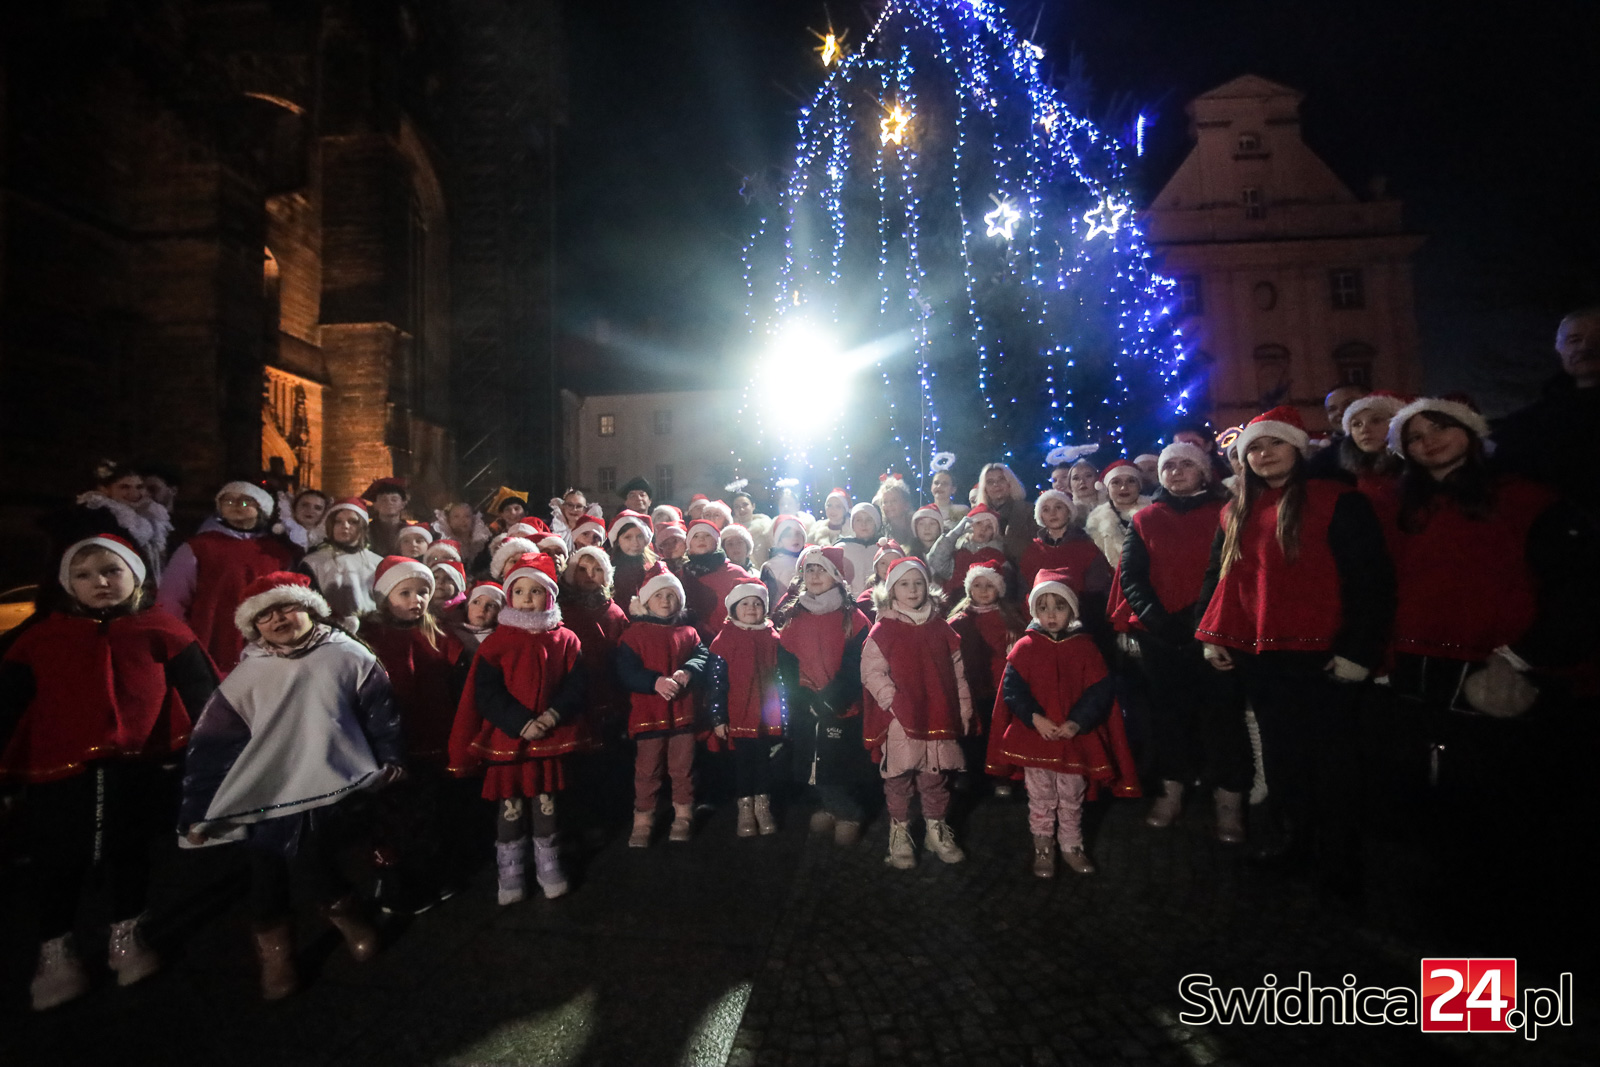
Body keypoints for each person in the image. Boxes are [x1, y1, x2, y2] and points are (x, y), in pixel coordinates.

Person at [2, 536, 217, 1010]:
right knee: (58, 860)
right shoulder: (39, 638)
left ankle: (128, 933)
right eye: (84, 574)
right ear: (66, 584)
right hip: (58, 767)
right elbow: (9, 702)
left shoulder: (163, 628)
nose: (99, 582)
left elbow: (204, 694)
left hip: (139, 766)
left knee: (130, 850)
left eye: (111, 571)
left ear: (135, 575)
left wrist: (209, 756)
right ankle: (56, 950)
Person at [1196, 405, 1394, 901]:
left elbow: (1370, 580)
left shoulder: (1338, 501)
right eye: (1255, 448)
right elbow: (1221, 577)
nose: (1263, 455)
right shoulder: (1235, 510)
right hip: (1264, 654)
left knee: (1332, 763)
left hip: (1322, 656)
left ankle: (1342, 862)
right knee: (1285, 760)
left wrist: (1357, 650)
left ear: (1298, 448)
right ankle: (1296, 844)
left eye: (1274, 444)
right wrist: (1214, 634)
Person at [179, 572, 403, 1000]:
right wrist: (199, 806)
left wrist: (390, 757)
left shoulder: (348, 654)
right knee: (265, 868)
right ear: (252, 626)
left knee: (310, 853)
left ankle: (344, 915)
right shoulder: (247, 676)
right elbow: (213, 744)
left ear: (309, 607)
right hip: (267, 787)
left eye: (284, 606)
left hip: (331, 775)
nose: (276, 618)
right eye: (263, 616)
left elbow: (380, 709)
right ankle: (279, 952)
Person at [1110, 442, 1251, 841]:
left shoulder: (1227, 513)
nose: (1175, 472)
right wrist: (1157, 620)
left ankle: (1229, 802)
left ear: (1204, 473)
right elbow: (1132, 576)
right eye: (1169, 465)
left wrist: (1203, 623)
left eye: (1186, 464)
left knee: (1222, 721)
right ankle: (1171, 792)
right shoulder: (1145, 519)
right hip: (1163, 637)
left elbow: (1232, 571)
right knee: (1168, 719)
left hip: (1216, 634)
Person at [449, 553, 587, 903]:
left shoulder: (566, 639)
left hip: (548, 736)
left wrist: (552, 716)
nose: (528, 599)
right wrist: (520, 722)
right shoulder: (497, 642)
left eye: (536, 591)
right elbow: (486, 693)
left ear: (550, 597)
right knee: (509, 806)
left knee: (546, 803)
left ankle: (548, 863)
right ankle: (510, 870)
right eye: (520, 591)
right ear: (510, 598)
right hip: (510, 740)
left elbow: (576, 684)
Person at [986, 570, 1140, 877]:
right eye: (1043, 607)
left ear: (1072, 609)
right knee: (1041, 797)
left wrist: (1077, 722)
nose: (1051, 614)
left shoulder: (1086, 647)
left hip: (1074, 737)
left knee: (1071, 795)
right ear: (1034, 611)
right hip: (1037, 736)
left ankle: (1072, 845)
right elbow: (1013, 691)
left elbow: (1099, 690)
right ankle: (1043, 846)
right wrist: (1034, 717)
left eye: (1059, 606)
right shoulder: (1025, 647)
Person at [861, 556, 973, 868]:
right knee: (899, 778)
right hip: (901, 719)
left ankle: (936, 829)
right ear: (892, 590)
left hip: (938, 712)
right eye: (904, 584)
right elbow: (872, 672)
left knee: (934, 776)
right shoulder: (883, 630)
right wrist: (894, 701)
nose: (912, 590)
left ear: (928, 586)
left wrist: (963, 709)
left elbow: (957, 673)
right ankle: (900, 832)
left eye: (918, 583)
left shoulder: (942, 629)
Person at [774, 545, 873, 845]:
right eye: (810, 570)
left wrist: (833, 698)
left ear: (836, 576)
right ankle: (832, 808)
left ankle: (848, 812)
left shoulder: (853, 619)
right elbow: (786, 663)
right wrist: (798, 697)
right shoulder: (794, 614)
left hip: (841, 707)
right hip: (806, 705)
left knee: (837, 764)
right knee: (810, 762)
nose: (815, 575)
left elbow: (857, 664)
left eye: (822, 569)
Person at [157, 481, 300, 675]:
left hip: (264, 642)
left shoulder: (277, 553)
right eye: (228, 501)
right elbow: (172, 598)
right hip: (210, 638)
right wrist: (181, 641)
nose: (235, 505)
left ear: (261, 508)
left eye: (244, 502)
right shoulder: (198, 547)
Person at [615, 572, 709, 846]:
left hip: (682, 712)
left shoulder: (688, 632)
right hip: (649, 715)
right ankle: (644, 818)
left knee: (683, 767)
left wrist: (689, 671)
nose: (665, 601)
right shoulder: (633, 635)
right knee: (648, 769)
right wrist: (653, 682)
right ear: (646, 601)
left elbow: (701, 655)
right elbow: (625, 671)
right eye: (659, 596)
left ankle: (683, 815)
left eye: (671, 596)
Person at [1491, 307, 1600, 525]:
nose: (1586, 346)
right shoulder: (1530, 424)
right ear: (1560, 350)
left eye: (1597, 338)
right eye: (1574, 340)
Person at [706, 578, 789, 837]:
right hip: (739, 712)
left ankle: (763, 807)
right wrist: (718, 716)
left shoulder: (773, 637)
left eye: (757, 603)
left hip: (765, 712)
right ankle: (745, 807)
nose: (752, 608)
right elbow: (716, 682)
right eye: (746, 603)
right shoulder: (724, 640)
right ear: (734, 608)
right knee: (743, 763)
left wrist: (783, 714)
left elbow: (781, 678)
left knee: (763, 762)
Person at [946, 559, 1022, 791]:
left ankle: (1001, 773)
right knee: (971, 733)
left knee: (997, 731)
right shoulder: (959, 620)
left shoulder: (1009, 618)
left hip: (1000, 687)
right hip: (970, 686)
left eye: (989, 586)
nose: (983, 591)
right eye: (977, 585)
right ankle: (969, 771)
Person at [557, 546, 629, 740]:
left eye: (597, 569)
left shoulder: (614, 612)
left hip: (609, 688)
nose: (590, 575)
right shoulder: (562, 611)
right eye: (582, 569)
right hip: (573, 689)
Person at [74, 460, 174, 585]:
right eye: (124, 487)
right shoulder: (99, 513)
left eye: (139, 487)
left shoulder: (150, 513)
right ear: (104, 489)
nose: (134, 493)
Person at [298, 497, 383, 632]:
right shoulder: (313, 562)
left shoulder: (378, 562)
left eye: (353, 522)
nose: (345, 526)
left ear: (362, 526)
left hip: (374, 632)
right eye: (338, 521)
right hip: (329, 634)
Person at [1018, 489, 1109, 606]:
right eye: (1046, 509)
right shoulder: (1032, 552)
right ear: (1040, 516)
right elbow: (1024, 589)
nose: (1052, 513)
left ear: (1069, 511)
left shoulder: (1087, 549)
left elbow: (1097, 590)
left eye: (1058, 507)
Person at [681, 518, 753, 641]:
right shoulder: (683, 574)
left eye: (707, 535)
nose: (701, 539)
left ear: (716, 542)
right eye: (696, 536)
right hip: (694, 641)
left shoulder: (734, 572)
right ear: (689, 544)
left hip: (729, 639)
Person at [926, 504, 1012, 602]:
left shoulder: (998, 557)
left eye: (989, 527)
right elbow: (936, 561)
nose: (983, 529)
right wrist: (954, 534)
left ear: (994, 532)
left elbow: (1006, 587)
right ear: (969, 525)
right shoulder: (957, 551)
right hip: (953, 606)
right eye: (978, 523)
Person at [1085, 458, 1151, 567]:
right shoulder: (1096, 521)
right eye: (1116, 482)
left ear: (1139, 486)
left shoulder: (1154, 513)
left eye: (1131, 481)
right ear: (1107, 488)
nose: (1124, 487)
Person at [976, 462, 1038, 565]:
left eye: (1001, 479)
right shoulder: (979, 517)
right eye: (990, 482)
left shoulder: (1029, 510)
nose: (996, 485)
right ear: (984, 489)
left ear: (1010, 483)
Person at [607, 510, 665, 612]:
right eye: (628, 537)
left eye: (640, 536)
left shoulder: (655, 567)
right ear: (618, 541)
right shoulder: (608, 569)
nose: (635, 543)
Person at [444, 579, 504, 655]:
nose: (482, 609)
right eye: (476, 602)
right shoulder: (448, 632)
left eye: (491, 606)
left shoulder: (499, 642)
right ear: (468, 606)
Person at [836, 503, 883, 597]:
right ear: (852, 525)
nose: (863, 524)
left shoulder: (883, 549)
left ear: (876, 523)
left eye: (869, 520)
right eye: (858, 520)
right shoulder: (842, 548)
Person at [760, 514, 808, 605]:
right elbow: (767, 599)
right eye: (788, 535)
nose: (795, 538)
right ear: (780, 541)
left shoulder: (811, 560)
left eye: (798, 533)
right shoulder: (770, 566)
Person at [364, 477, 411, 556]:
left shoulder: (411, 531)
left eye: (394, 499)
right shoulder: (365, 531)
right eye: (383, 500)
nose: (389, 503)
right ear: (375, 505)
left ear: (403, 504)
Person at [873, 475, 917, 547]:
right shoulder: (879, 530)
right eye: (885, 502)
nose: (889, 505)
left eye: (894, 501)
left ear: (906, 504)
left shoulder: (917, 525)